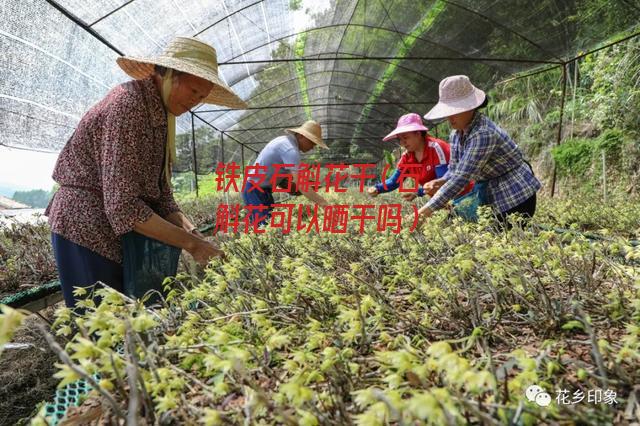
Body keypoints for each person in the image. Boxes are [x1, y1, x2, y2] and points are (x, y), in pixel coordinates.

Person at [45, 37, 246, 307]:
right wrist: (193, 246)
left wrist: (194, 233)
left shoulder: (160, 116)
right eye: (194, 91)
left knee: (129, 321)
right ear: (171, 75)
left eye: (202, 97)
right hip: (86, 227)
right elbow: (123, 207)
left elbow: (162, 196)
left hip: (111, 229)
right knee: (102, 322)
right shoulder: (129, 105)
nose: (196, 102)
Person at [417, 75, 541, 224]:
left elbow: (461, 177)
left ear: (470, 107)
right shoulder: (457, 134)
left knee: (497, 235)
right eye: (447, 112)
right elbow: (455, 169)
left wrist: (424, 212)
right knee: (459, 223)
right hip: (489, 192)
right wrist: (441, 180)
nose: (450, 118)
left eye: (454, 111)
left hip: (515, 197)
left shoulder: (483, 133)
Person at [367, 113, 472, 201]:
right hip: (441, 202)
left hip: (463, 197)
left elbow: (442, 182)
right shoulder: (407, 158)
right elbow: (394, 182)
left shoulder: (436, 148)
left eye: (406, 138)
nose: (403, 143)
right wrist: (377, 188)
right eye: (400, 139)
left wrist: (418, 192)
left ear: (418, 133)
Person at [242, 120, 330, 225]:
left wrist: (294, 188)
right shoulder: (290, 150)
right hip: (254, 190)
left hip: (262, 191)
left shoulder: (284, 142)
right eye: (311, 142)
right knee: (264, 229)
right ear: (302, 136)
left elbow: (279, 176)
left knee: (270, 227)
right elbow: (302, 185)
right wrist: (324, 204)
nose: (312, 147)